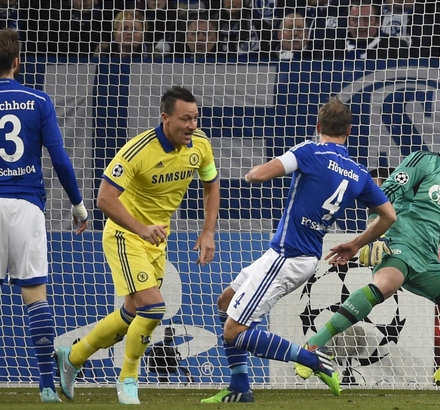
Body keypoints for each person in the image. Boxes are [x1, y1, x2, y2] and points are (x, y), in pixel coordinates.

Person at [202, 97, 396, 403]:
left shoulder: (309, 151)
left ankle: (312, 359)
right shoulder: (358, 173)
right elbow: (389, 216)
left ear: (318, 126)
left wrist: (255, 171)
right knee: (226, 302)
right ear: (349, 131)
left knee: (234, 331)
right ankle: (239, 386)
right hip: (295, 255)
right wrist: (356, 243)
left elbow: (257, 175)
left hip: (288, 256)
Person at [295, 117, 440, 396]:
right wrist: (374, 234)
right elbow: (384, 193)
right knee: (387, 283)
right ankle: (314, 346)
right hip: (397, 244)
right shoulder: (423, 162)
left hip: (428, 262)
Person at [55, 86, 221, 405]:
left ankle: (73, 357)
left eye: (195, 118)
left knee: (132, 315)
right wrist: (141, 229)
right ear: (165, 118)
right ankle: (128, 379)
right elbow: (105, 199)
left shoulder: (200, 145)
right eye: (185, 119)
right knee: (153, 308)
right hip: (125, 234)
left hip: (155, 239)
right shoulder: (137, 151)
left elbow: (211, 184)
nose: (192, 125)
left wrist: (208, 232)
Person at [0, 28, 89, 403]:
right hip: (26, 205)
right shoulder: (38, 100)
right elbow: (60, 160)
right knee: (35, 294)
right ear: (17, 62)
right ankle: (47, 386)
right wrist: (78, 204)